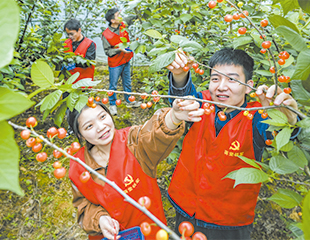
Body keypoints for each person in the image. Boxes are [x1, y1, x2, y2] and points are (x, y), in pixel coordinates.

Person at [165, 48, 299, 240]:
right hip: (187, 205)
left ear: (248, 86)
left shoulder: (256, 117)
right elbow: (184, 99)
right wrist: (180, 75)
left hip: (227, 221)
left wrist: (287, 120)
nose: (221, 87)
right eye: (215, 79)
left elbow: (277, 135)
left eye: (232, 79)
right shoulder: (203, 103)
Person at [67, 99, 204, 240]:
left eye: (102, 116)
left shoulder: (133, 142)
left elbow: (153, 136)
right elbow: (82, 206)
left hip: (149, 233)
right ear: (80, 135)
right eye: (89, 126)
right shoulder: (78, 166)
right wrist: (99, 219)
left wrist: (174, 117)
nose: (101, 127)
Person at [102, 8, 140, 116]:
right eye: (118, 15)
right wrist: (119, 49)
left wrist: (139, 11)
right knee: (113, 85)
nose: (120, 16)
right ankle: (112, 104)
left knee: (127, 82)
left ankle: (129, 101)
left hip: (126, 59)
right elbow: (107, 51)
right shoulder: (106, 35)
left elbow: (132, 17)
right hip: (115, 63)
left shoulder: (123, 25)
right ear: (112, 20)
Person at [64, 19, 96, 85]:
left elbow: (89, 62)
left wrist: (74, 63)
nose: (70, 36)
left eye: (72, 34)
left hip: (83, 81)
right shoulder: (66, 43)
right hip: (68, 81)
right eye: (68, 34)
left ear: (79, 30)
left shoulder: (90, 44)